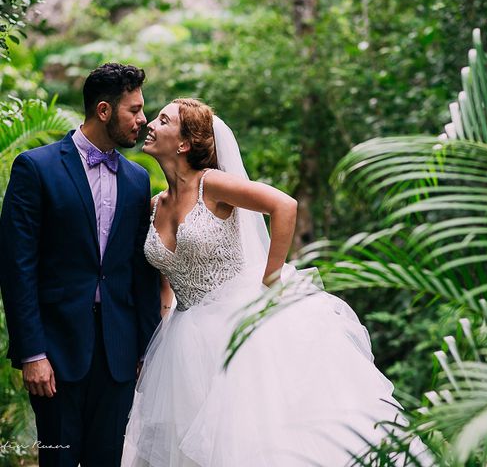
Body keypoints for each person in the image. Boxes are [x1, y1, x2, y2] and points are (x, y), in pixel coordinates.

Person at [122, 99, 429, 466]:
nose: (150, 124)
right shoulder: (156, 204)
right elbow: (167, 272)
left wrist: (271, 277)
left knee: (252, 437)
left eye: (163, 119)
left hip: (237, 326)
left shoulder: (214, 184)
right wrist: (162, 320)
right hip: (181, 338)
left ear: (184, 143)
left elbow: (284, 206)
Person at [0, 63, 161, 466]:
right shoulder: (35, 168)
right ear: (104, 111)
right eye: (134, 110)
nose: (143, 120)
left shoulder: (138, 179)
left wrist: (146, 348)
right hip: (55, 352)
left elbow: (140, 271)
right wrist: (32, 352)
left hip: (119, 355)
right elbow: (17, 268)